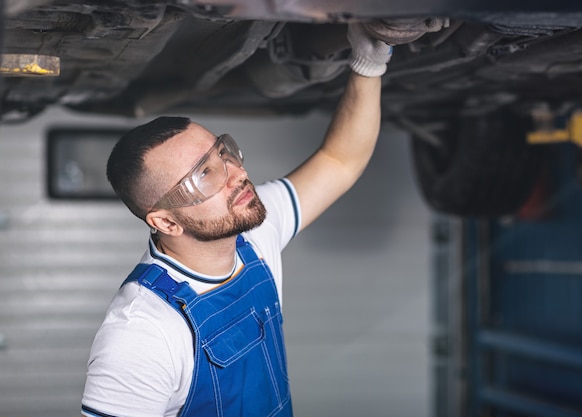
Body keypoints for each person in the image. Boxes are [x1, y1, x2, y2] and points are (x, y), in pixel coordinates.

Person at [81, 23, 393, 417]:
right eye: (204, 175)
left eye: (223, 153)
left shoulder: (252, 233)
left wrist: (370, 60)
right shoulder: (141, 333)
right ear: (166, 223)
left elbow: (340, 161)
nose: (237, 173)